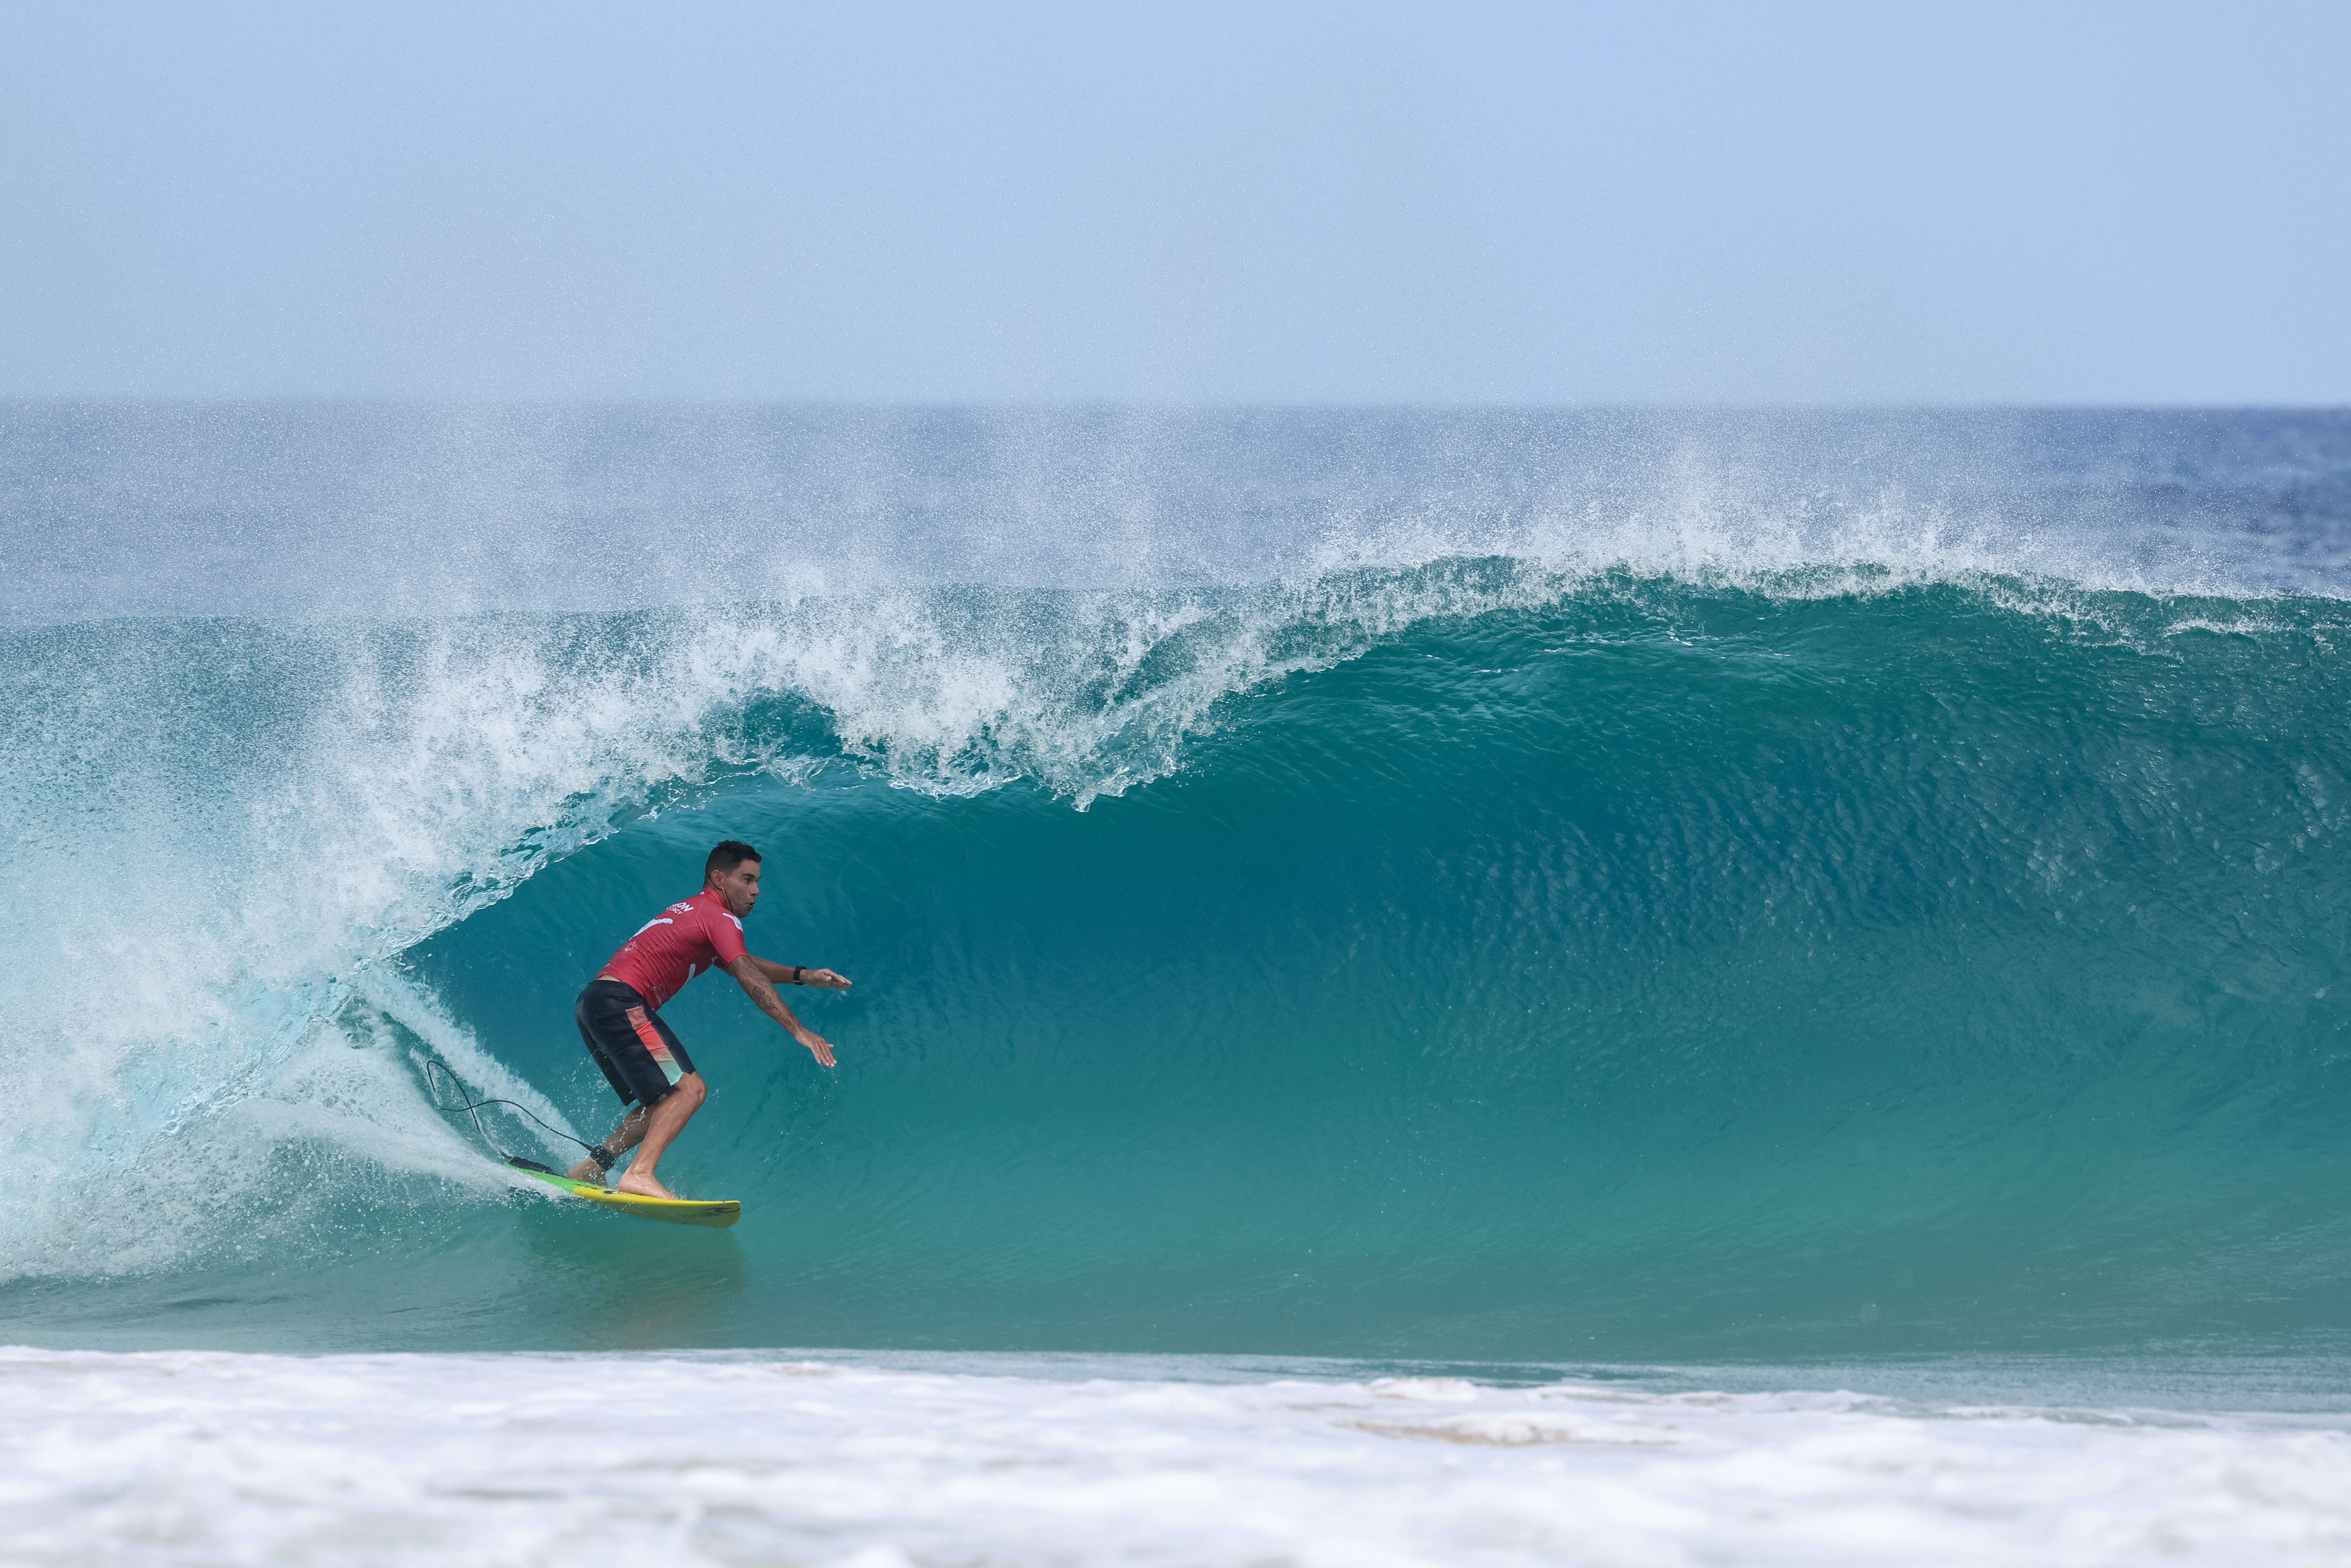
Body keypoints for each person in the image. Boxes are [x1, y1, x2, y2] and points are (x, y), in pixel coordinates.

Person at [567, 839, 849, 1198]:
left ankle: (593, 1167)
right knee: (691, 1090)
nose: (756, 890)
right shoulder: (719, 916)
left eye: (758, 881)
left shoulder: (694, 911)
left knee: (661, 1102)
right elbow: (748, 975)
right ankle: (639, 1173)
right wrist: (798, 1030)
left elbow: (738, 963)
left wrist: (801, 975)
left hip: (595, 1001)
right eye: (746, 880)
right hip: (622, 1002)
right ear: (718, 878)